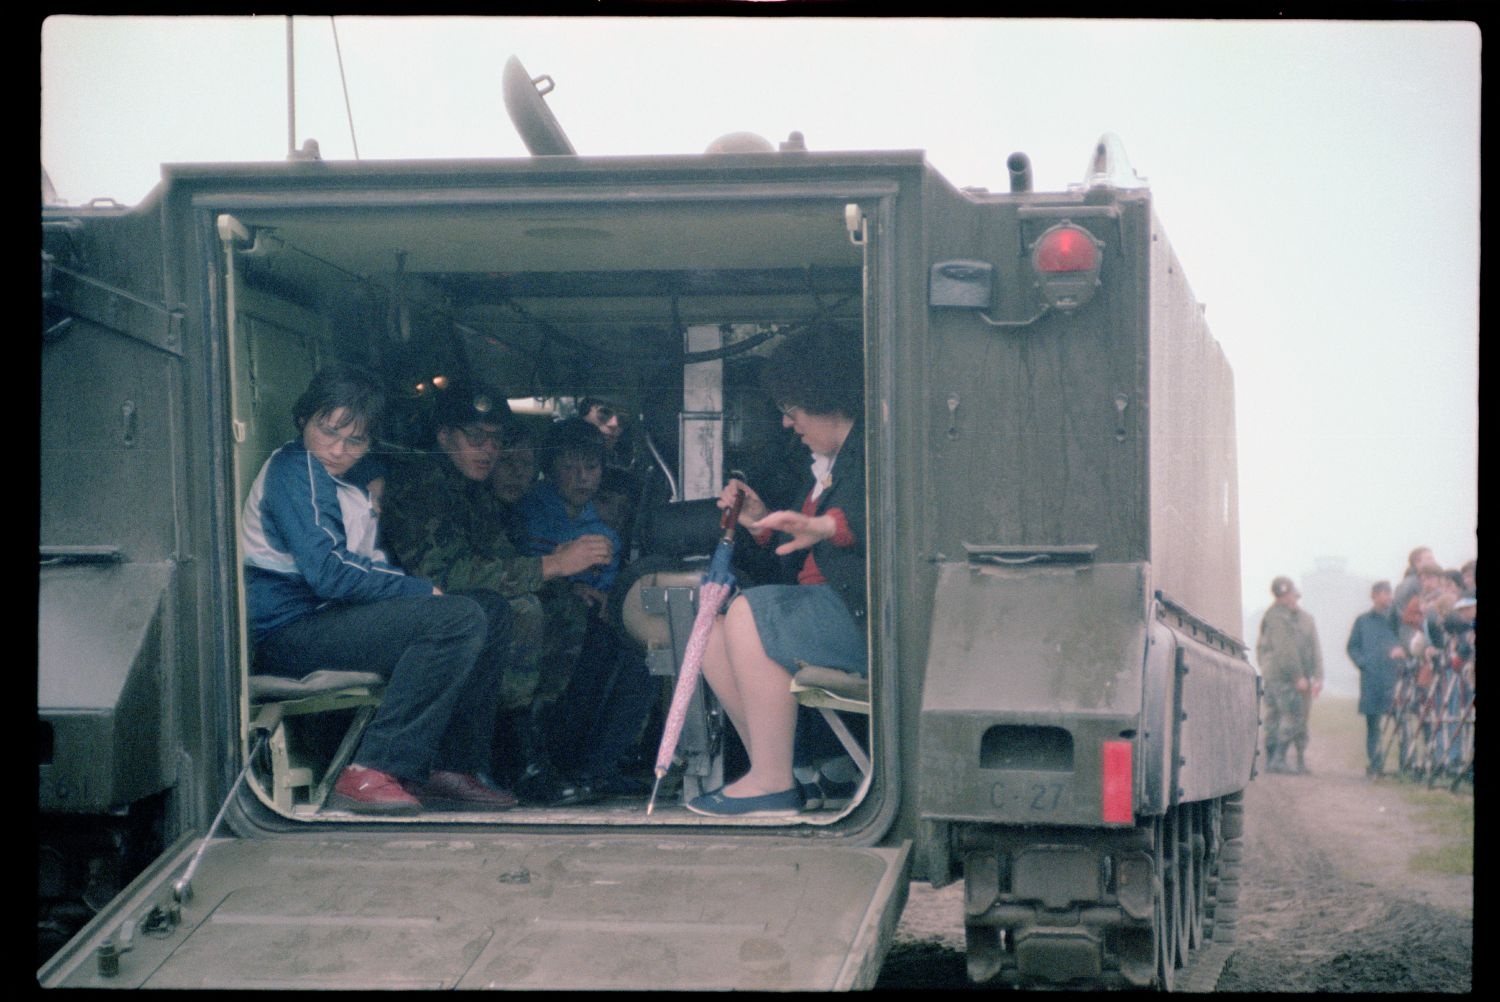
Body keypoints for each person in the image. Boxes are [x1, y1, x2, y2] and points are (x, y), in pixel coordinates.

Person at [241, 363, 517, 814]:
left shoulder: (345, 480)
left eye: (355, 440)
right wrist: (418, 590)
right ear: (302, 420)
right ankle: (372, 768)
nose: (338, 449)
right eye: (328, 431)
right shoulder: (296, 469)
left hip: (331, 621)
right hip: (288, 634)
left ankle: (449, 767)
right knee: (457, 617)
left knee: (490, 610)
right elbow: (328, 574)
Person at [379, 386, 612, 807]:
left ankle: (531, 745)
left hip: (456, 616)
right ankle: (510, 758)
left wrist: (560, 579)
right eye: (476, 437)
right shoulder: (423, 490)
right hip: (411, 618)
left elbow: (502, 559)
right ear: (445, 437)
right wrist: (551, 566)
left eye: (496, 439)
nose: (488, 450)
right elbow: (446, 575)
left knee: (564, 608)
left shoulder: (472, 493)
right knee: (518, 611)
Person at [687, 325, 867, 818]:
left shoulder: (874, 455)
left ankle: (771, 782)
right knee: (710, 630)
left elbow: (871, 521)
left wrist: (823, 523)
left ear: (827, 399)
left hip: (867, 621)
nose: (788, 423)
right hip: (834, 611)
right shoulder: (832, 465)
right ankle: (785, 772)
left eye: (794, 410)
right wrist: (759, 524)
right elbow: (809, 555)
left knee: (750, 612)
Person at [1256, 575, 1324, 774]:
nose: (1290, 599)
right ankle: (1276, 759)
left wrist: (1318, 675)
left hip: (1291, 675)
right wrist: (1297, 676)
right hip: (1281, 677)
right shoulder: (1276, 617)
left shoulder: (1303, 619)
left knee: (1285, 717)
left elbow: (1314, 648)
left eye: (1291, 594)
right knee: (1287, 716)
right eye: (1286, 595)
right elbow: (1284, 650)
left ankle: (1279, 760)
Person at [1345, 581, 1404, 776]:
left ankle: (1405, 765)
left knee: (1401, 721)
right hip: (1371, 680)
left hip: (1395, 678)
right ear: (1374, 596)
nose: (1388, 597)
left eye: (1389, 593)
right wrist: (1363, 663)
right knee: (1373, 724)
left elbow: (1406, 641)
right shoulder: (1363, 621)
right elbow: (1352, 646)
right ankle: (1375, 764)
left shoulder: (1397, 619)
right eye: (1383, 593)